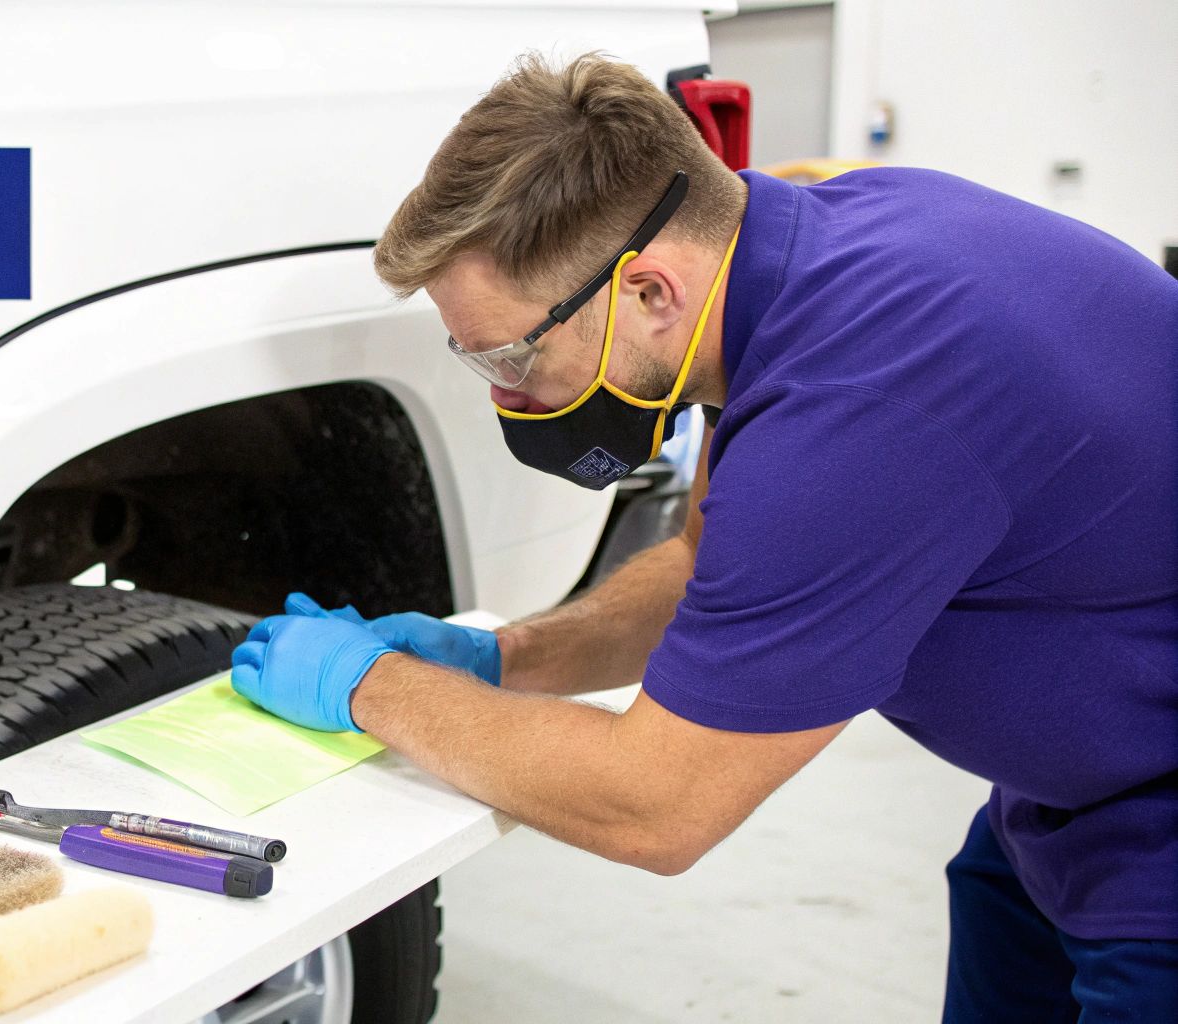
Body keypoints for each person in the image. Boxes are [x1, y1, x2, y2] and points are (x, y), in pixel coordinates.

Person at [229, 53, 1178, 1019]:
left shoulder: (853, 411)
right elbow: (698, 565)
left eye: (512, 356)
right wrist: (503, 659)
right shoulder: (791, 256)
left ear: (649, 293)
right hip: (1060, 797)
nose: (507, 397)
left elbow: (657, 805)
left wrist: (375, 688)